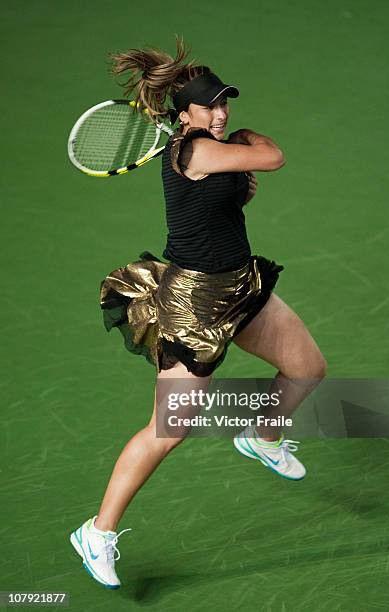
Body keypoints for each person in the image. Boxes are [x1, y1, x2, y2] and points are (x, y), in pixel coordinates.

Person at [69, 38, 327, 589]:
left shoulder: (209, 151)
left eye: (225, 102)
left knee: (307, 370)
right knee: (172, 427)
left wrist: (238, 174)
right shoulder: (197, 151)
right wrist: (243, 141)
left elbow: (226, 201)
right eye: (210, 105)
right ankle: (97, 531)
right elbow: (273, 154)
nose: (222, 112)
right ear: (182, 114)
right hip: (195, 306)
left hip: (242, 285)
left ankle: (262, 436)